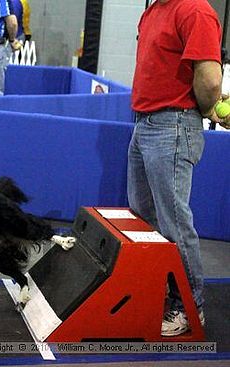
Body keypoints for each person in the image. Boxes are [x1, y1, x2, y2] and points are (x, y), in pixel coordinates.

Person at [129, 0, 229, 337]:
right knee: (144, 216)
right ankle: (156, 293)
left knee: (173, 222)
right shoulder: (154, 10)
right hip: (144, 124)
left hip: (173, 126)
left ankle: (189, 305)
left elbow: (211, 80)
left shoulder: (195, 10)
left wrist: (207, 107)